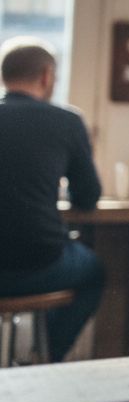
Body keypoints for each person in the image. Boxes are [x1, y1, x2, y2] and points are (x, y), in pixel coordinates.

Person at [0, 38, 103, 363]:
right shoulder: (67, 121)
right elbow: (88, 198)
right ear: (46, 76)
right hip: (39, 264)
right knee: (94, 271)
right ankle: (42, 359)